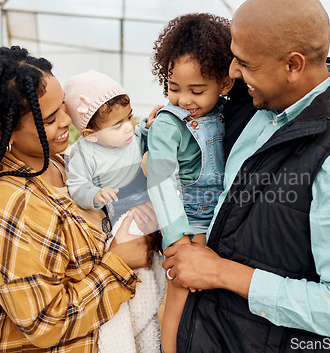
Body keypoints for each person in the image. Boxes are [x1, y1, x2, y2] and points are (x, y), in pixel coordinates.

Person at [162, 1, 330, 352]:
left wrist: (220, 272)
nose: (233, 72)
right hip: (210, 331)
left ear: (293, 64)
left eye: (244, 63)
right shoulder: (259, 101)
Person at [0, 46, 158, 353]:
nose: (66, 121)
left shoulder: (58, 164)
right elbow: (45, 323)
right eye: (48, 119)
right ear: (0, 131)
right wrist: (118, 262)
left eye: (63, 106)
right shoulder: (15, 205)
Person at [147, 13, 235, 353]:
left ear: (224, 84)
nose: (184, 99)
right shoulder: (169, 124)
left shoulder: (227, 111)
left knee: (209, 298)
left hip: (218, 219)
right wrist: (177, 239)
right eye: (174, 88)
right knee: (179, 294)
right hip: (188, 221)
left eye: (197, 90)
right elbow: (161, 181)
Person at [64, 69, 165, 353]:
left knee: (156, 256)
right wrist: (94, 194)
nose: (128, 127)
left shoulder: (131, 136)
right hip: (117, 215)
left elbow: (144, 137)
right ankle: (130, 327)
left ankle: (147, 318)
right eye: (118, 124)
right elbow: (76, 185)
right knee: (136, 277)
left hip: (143, 204)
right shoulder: (83, 154)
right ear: (90, 135)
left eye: (129, 116)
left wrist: (150, 124)